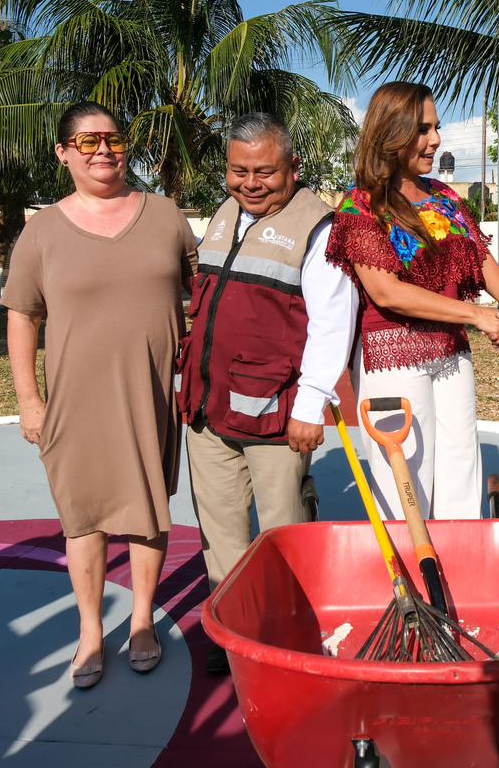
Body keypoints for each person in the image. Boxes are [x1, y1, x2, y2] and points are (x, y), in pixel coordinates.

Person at [2, 101, 197, 689]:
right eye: (87, 142)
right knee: (83, 520)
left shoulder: (165, 217)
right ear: (63, 153)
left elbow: (206, 294)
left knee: (145, 513)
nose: (103, 151)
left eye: (112, 139)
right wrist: (29, 400)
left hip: (152, 392)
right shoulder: (41, 231)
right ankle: (91, 630)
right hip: (75, 400)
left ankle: (142, 622)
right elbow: (21, 316)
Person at [176, 113, 358, 675]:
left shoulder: (318, 227)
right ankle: (233, 636)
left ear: (293, 169)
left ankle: (288, 636)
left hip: (278, 417)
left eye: (265, 172)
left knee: (284, 535)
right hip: (209, 410)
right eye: (238, 171)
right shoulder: (225, 216)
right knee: (222, 536)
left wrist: (311, 407)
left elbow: (333, 324)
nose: (250, 183)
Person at [325, 81, 499, 522]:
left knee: (463, 473)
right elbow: (387, 292)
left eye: (436, 127)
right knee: (407, 487)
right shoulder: (361, 206)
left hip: (451, 352)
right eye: (423, 129)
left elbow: (479, 258)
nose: (436, 140)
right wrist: (477, 315)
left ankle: (459, 577)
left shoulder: (447, 198)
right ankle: (418, 583)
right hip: (393, 357)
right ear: (391, 133)